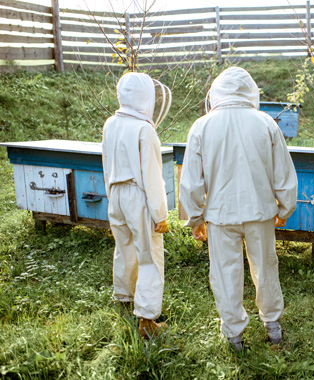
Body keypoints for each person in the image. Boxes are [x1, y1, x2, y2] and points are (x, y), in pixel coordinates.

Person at [179, 67, 298, 352]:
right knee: (266, 269)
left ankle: (234, 337)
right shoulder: (266, 122)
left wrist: (195, 218)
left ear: (217, 92)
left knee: (225, 272)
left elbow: (191, 182)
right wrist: (285, 208)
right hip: (260, 212)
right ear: (250, 90)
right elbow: (283, 172)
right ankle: (273, 328)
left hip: (219, 215)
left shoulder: (202, 126)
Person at [102, 72, 169, 339]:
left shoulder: (110, 124)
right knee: (149, 256)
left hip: (115, 193)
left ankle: (124, 298)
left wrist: (111, 195)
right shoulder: (144, 129)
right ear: (146, 97)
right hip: (138, 195)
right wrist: (160, 213)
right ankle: (146, 319)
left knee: (124, 249)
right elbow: (152, 177)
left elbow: (106, 162)